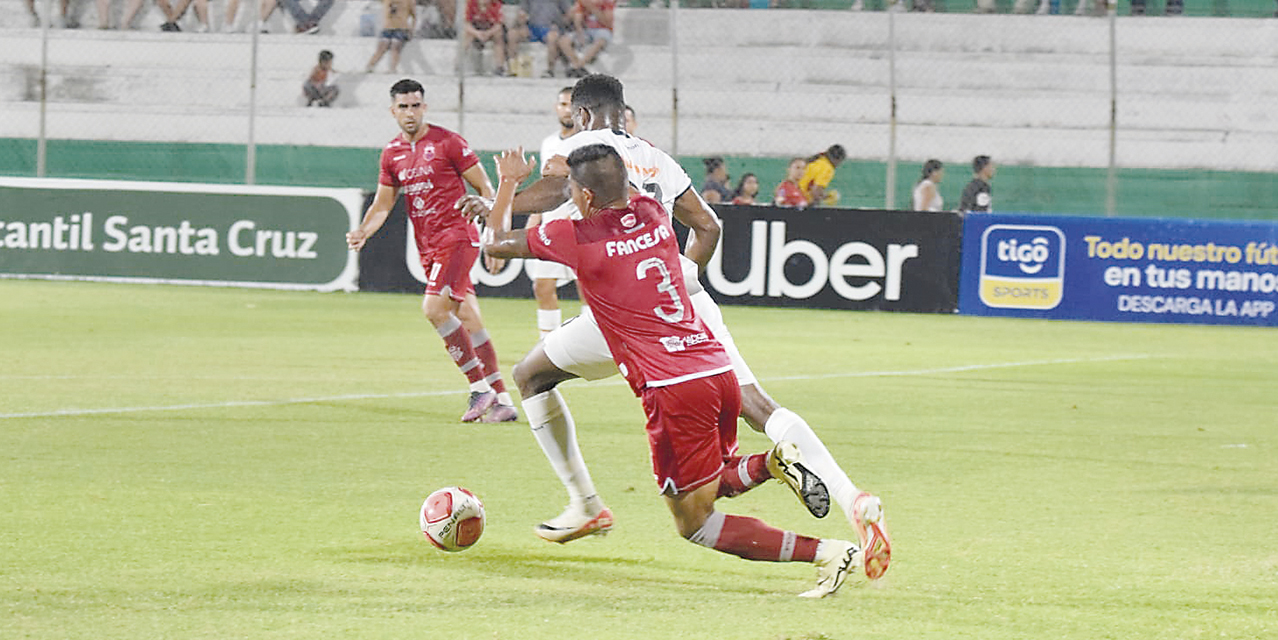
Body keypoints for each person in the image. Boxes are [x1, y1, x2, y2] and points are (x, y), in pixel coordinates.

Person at [456, 74, 890, 584]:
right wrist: (679, 276)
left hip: (618, 313)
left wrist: (500, 200)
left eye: (574, 119)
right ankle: (850, 496)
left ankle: (585, 501)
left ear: (587, 116)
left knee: (531, 377)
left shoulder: (585, 153)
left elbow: (539, 206)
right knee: (757, 406)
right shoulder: (656, 162)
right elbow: (708, 225)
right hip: (680, 304)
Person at [346, 79, 518, 423]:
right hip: (428, 246)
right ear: (393, 111)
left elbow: (484, 187)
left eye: (416, 105)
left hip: (457, 236)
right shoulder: (392, 153)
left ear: (424, 107)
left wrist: (495, 236)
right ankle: (501, 402)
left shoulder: (448, 142)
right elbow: (383, 203)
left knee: (434, 308)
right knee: (469, 319)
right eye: (403, 107)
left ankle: (479, 388)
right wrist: (364, 229)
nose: (410, 113)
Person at [525, 87, 580, 339]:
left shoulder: (587, 142)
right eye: (562, 104)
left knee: (588, 287)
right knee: (543, 286)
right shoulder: (548, 143)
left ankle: (598, 340)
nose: (567, 109)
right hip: (551, 224)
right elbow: (545, 185)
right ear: (556, 108)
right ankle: (547, 343)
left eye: (571, 104)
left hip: (580, 226)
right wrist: (534, 217)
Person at [507, 0, 572, 78]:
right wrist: (522, 25)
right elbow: (522, 11)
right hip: (532, 28)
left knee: (552, 37)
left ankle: (550, 70)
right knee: (512, 34)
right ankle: (512, 68)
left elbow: (568, 14)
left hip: (550, 27)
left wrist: (559, 24)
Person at [556, 0, 613, 78]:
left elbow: (607, 23)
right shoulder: (582, 2)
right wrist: (580, 34)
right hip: (586, 30)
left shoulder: (607, 3)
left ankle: (577, 66)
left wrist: (592, 8)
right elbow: (577, 20)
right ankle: (577, 64)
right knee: (563, 41)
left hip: (602, 30)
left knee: (600, 42)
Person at [460, 0, 509, 76]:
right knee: (467, 35)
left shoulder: (496, 4)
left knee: (498, 36)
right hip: (476, 28)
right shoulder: (471, 3)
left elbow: (498, 25)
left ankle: (499, 66)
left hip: (491, 29)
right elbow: (467, 24)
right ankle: (459, 63)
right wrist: (477, 33)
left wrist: (488, 33)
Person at [365, 0, 416, 73]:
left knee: (395, 47)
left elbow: (414, 16)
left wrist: (411, 30)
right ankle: (370, 66)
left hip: (401, 28)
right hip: (387, 28)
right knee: (381, 48)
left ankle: (393, 68)